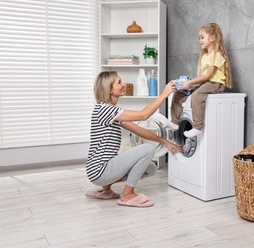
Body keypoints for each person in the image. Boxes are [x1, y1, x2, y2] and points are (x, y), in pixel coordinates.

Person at [85, 71, 182, 208]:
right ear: (109, 89)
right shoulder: (105, 109)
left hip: (98, 170)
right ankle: (128, 194)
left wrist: (166, 142)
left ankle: (106, 190)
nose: (124, 85)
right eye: (119, 82)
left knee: (150, 168)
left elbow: (140, 131)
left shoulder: (110, 112)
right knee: (148, 149)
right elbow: (143, 116)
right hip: (100, 170)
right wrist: (164, 94)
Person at [166, 23, 232, 137]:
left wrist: (191, 83)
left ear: (212, 38)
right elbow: (202, 76)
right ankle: (175, 122)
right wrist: (188, 84)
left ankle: (198, 127)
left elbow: (208, 75)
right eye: (199, 38)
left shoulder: (217, 55)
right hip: (206, 83)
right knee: (179, 93)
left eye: (202, 37)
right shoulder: (204, 56)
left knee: (196, 96)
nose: (200, 40)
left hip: (216, 83)